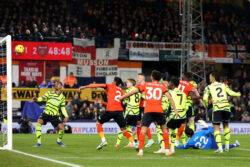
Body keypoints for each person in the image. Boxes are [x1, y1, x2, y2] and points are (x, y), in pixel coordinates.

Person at [119, 70, 178, 156]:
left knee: (143, 131)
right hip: (159, 110)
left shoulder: (146, 85)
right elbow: (170, 98)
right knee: (164, 130)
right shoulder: (162, 86)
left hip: (148, 111)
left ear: (152, 77)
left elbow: (133, 92)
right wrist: (175, 110)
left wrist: (122, 97)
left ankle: (140, 151)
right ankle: (167, 150)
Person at [79, 77, 134, 150]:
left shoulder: (109, 85)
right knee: (123, 130)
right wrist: (104, 103)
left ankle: (103, 140)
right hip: (119, 111)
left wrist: (85, 87)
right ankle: (133, 143)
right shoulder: (121, 90)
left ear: (114, 82)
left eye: (112, 81)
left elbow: (96, 85)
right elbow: (118, 101)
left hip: (110, 110)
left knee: (98, 123)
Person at [203, 71, 241, 153]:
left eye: (210, 77)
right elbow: (231, 92)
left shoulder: (208, 87)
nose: (209, 78)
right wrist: (238, 94)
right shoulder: (223, 85)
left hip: (217, 108)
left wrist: (206, 104)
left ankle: (220, 148)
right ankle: (227, 147)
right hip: (226, 107)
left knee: (216, 127)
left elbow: (205, 98)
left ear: (213, 77)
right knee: (226, 126)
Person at [33, 80, 69, 147]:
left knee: (62, 128)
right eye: (56, 84)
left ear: (61, 87)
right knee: (39, 123)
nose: (56, 85)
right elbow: (42, 98)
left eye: (58, 84)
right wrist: (36, 99)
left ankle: (59, 141)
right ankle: (39, 143)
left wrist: (66, 116)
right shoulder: (49, 93)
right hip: (46, 113)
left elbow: (63, 108)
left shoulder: (62, 97)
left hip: (54, 115)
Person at [176, 72, 201, 145]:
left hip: (179, 105)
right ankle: (191, 139)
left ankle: (179, 140)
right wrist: (200, 98)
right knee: (191, 121)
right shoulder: (192, 84)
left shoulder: (179, 82)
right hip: (188, 104)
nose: (181, 76)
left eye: (183, 75)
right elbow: (195, 95)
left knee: (181, 123)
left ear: (185, 77)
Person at [115, 79, 142, 148]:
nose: (126, 83)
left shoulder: (127, 91)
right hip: (137, 113)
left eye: (127, 82)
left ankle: (118, 143)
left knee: (122, 128)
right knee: (131, 127)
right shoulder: (139, 91)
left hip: (129, 112)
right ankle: (132, 142)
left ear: (131, 83)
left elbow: (125, 102)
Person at [136, 73, 154, 148]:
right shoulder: (137, 86)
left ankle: (150, 139)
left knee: (144, 124)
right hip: (138, 107)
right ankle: (138, 141)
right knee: (138, 124)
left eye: (138, 77)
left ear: (142, 78)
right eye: (137, 77)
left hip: (145, 107)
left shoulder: (146, 85)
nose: (137, 78)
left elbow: (146, 96)